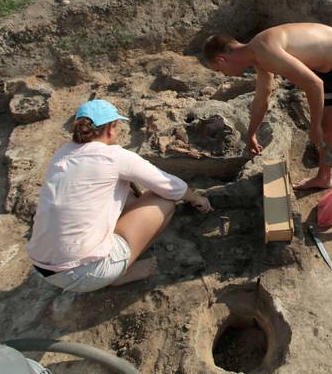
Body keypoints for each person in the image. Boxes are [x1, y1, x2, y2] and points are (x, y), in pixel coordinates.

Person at [203, 23, 332, 237]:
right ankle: (324, 177)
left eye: (219, 70)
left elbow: (314, 85)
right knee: (327, 129)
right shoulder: (258, 56)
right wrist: (251, 134)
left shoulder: (265, 50)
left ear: (222, 59)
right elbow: (262, 98)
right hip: (325, 70)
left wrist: (313, 128)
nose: (223, 74)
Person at [27, 99, 212, 293]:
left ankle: (106, 262)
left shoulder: (62, 154)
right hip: (86, 274)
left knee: (127, 195)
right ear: (110, 129)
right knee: (163, 202)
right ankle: (119, 272)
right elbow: (170, 186)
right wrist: (196, 198)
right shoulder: (113, 156)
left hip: (43, 267)